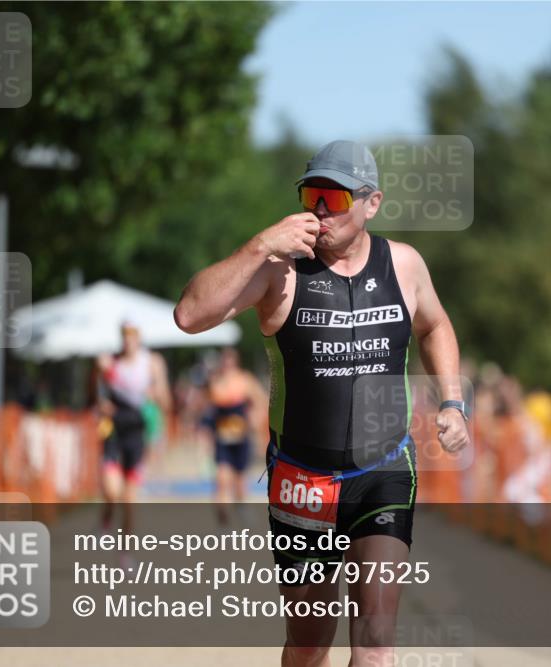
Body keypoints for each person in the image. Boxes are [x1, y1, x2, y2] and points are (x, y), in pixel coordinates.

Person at [175, 139, 470, 666]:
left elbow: (435, 325)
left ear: (372, 203)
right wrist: (259, 244)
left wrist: (453, 402)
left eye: (334, 198)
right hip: (302, 479)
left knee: (376, 641)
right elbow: (190, 315)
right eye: (311, 194)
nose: (319, 209)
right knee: (311, 643)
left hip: (383, 471)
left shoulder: (403, 265)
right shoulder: (280, 271)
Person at [95, 318, 171, 538]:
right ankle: (106, 520)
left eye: (132, 334)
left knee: (129, 499)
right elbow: (97, 395)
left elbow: (166, 402)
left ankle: (125, 549)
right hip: (113, 429)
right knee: (111, 491)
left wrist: (156, 394)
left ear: (139, 337)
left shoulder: (152, 362)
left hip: (137, 431)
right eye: (124, 335)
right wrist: (102, 402)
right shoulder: (109, 362)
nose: (128, 340)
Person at [201, 347, 267, 523]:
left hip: (241, 436)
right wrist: (205, 432)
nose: (227, 364)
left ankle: (241, 508)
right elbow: (206, 410)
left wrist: (255, 418)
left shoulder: (245, 380)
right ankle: (222, 518)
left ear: (236, 362)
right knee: (222, 478)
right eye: (224, 361)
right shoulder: (215, 382)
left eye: (230, 361)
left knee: (240, 480)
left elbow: (260, 400)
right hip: (222, 438)